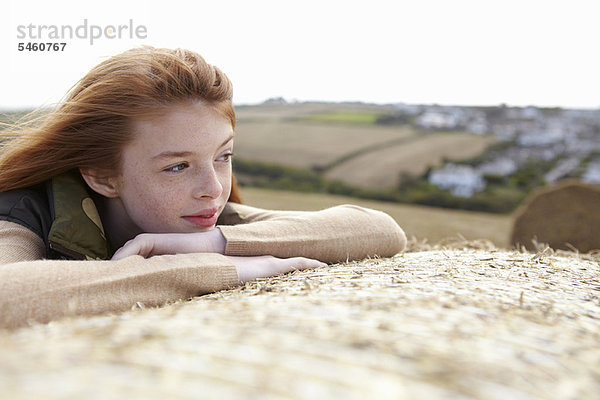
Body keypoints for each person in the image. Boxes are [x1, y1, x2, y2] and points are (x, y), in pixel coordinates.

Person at [0, 46, 406, 329]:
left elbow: (380, 229)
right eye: (177, 166)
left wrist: (214, 244)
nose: (213, 188)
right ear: (102, 175)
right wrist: (225, 271)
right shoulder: (20, 212)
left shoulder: (203, 219)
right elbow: (8, 297)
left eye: (223, 156)